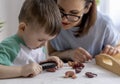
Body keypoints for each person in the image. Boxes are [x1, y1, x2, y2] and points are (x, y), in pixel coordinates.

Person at [0, 0, 63, 79]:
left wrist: (47, 63)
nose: (44, 44)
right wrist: (21, 70)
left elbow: (35, 65)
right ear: (22, 28)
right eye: (40, 40)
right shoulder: (8, 47)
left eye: (48, 40)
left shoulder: (39, 46)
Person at [48, 0, 120, 63]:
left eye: (74, 13)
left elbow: (118, 47)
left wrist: (113, 50)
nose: (64, 20)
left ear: (87, 8)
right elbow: (50, 54)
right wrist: (69, 54)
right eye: (60, 10)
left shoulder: (104, 24)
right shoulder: (50, 21)